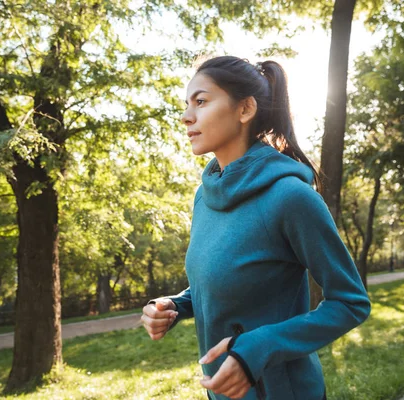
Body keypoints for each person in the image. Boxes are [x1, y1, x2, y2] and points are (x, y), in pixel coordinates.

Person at [141, 55, 371, 400]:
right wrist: (175, 305)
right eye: (187, 104)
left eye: (201, 102)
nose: (187, 116)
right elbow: (227, 278)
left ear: (245, 109)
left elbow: (351, 302)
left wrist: (259, 348)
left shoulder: (291, 197)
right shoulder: (204, 198)